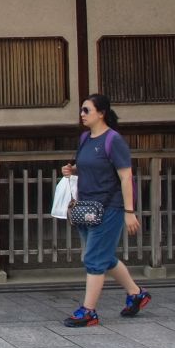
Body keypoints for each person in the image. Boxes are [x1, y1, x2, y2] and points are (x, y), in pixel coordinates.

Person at [61, 93, 151, 327]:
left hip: (109, 207)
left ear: (101, 113)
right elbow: (89, 168)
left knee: (93, 258)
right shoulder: (85, 139)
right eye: (81, 110)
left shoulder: (114, 140)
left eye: (86, 110)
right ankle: (136, 293)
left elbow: (125, 177)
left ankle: (89, 311)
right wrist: (73, 171)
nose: (82, 114)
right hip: (86, 206)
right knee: (103, 257)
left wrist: (129, 211)